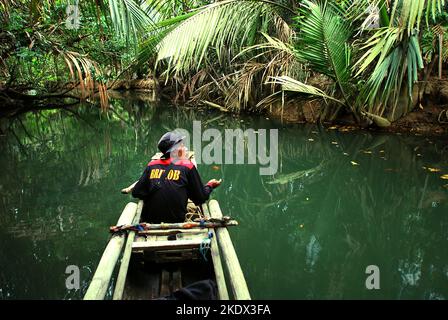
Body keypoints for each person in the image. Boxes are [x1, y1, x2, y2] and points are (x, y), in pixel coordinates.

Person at [131, 132, 221, 223]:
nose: (185, 148)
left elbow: (136, 192)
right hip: (176, 221)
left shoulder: (152, 165)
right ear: (174, 151)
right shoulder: (188, 166)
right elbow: (200, 198)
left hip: (150, 220)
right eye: (182, 146)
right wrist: (210, 185)